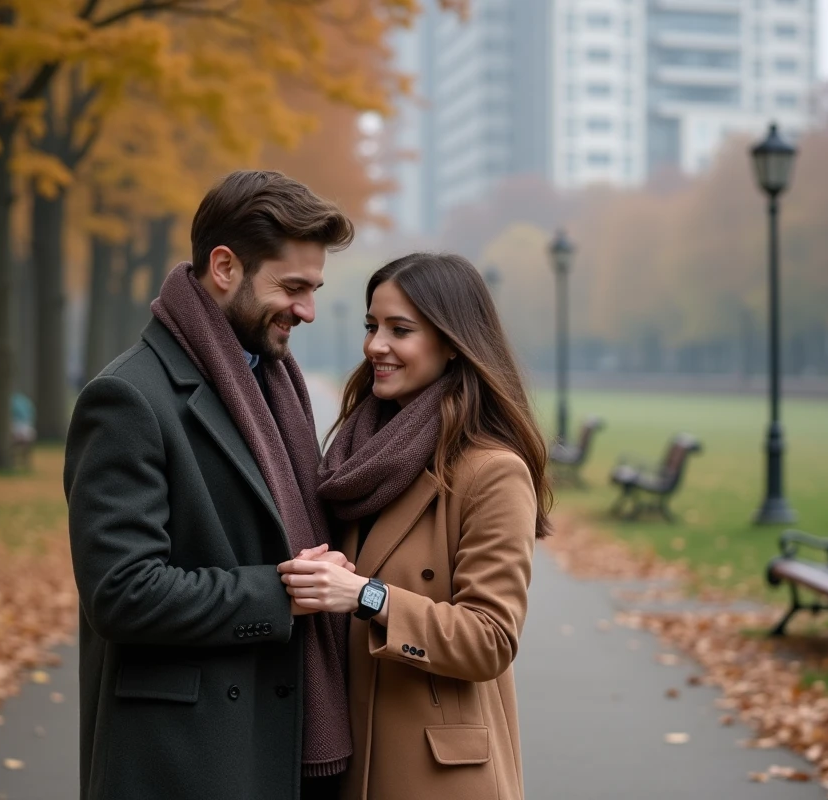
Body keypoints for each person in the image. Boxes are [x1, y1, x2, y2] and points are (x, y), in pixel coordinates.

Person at [63, 170, 356, 800]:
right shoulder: (127, 399)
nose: (307, 310)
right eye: (293, 287)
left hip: (277, 738)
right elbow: (121, 592)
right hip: (187, 758)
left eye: (314, 289)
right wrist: (278, 595)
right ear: (224, 267)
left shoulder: (275, 384)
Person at [278, 253, 552, 800]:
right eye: (371, 326)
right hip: (344, 762)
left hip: (437, 777)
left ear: (453, 341)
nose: (376, 345)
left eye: (400, 330)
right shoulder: (355, 458)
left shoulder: (492, 471)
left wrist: (367, 596)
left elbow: (490, 639)